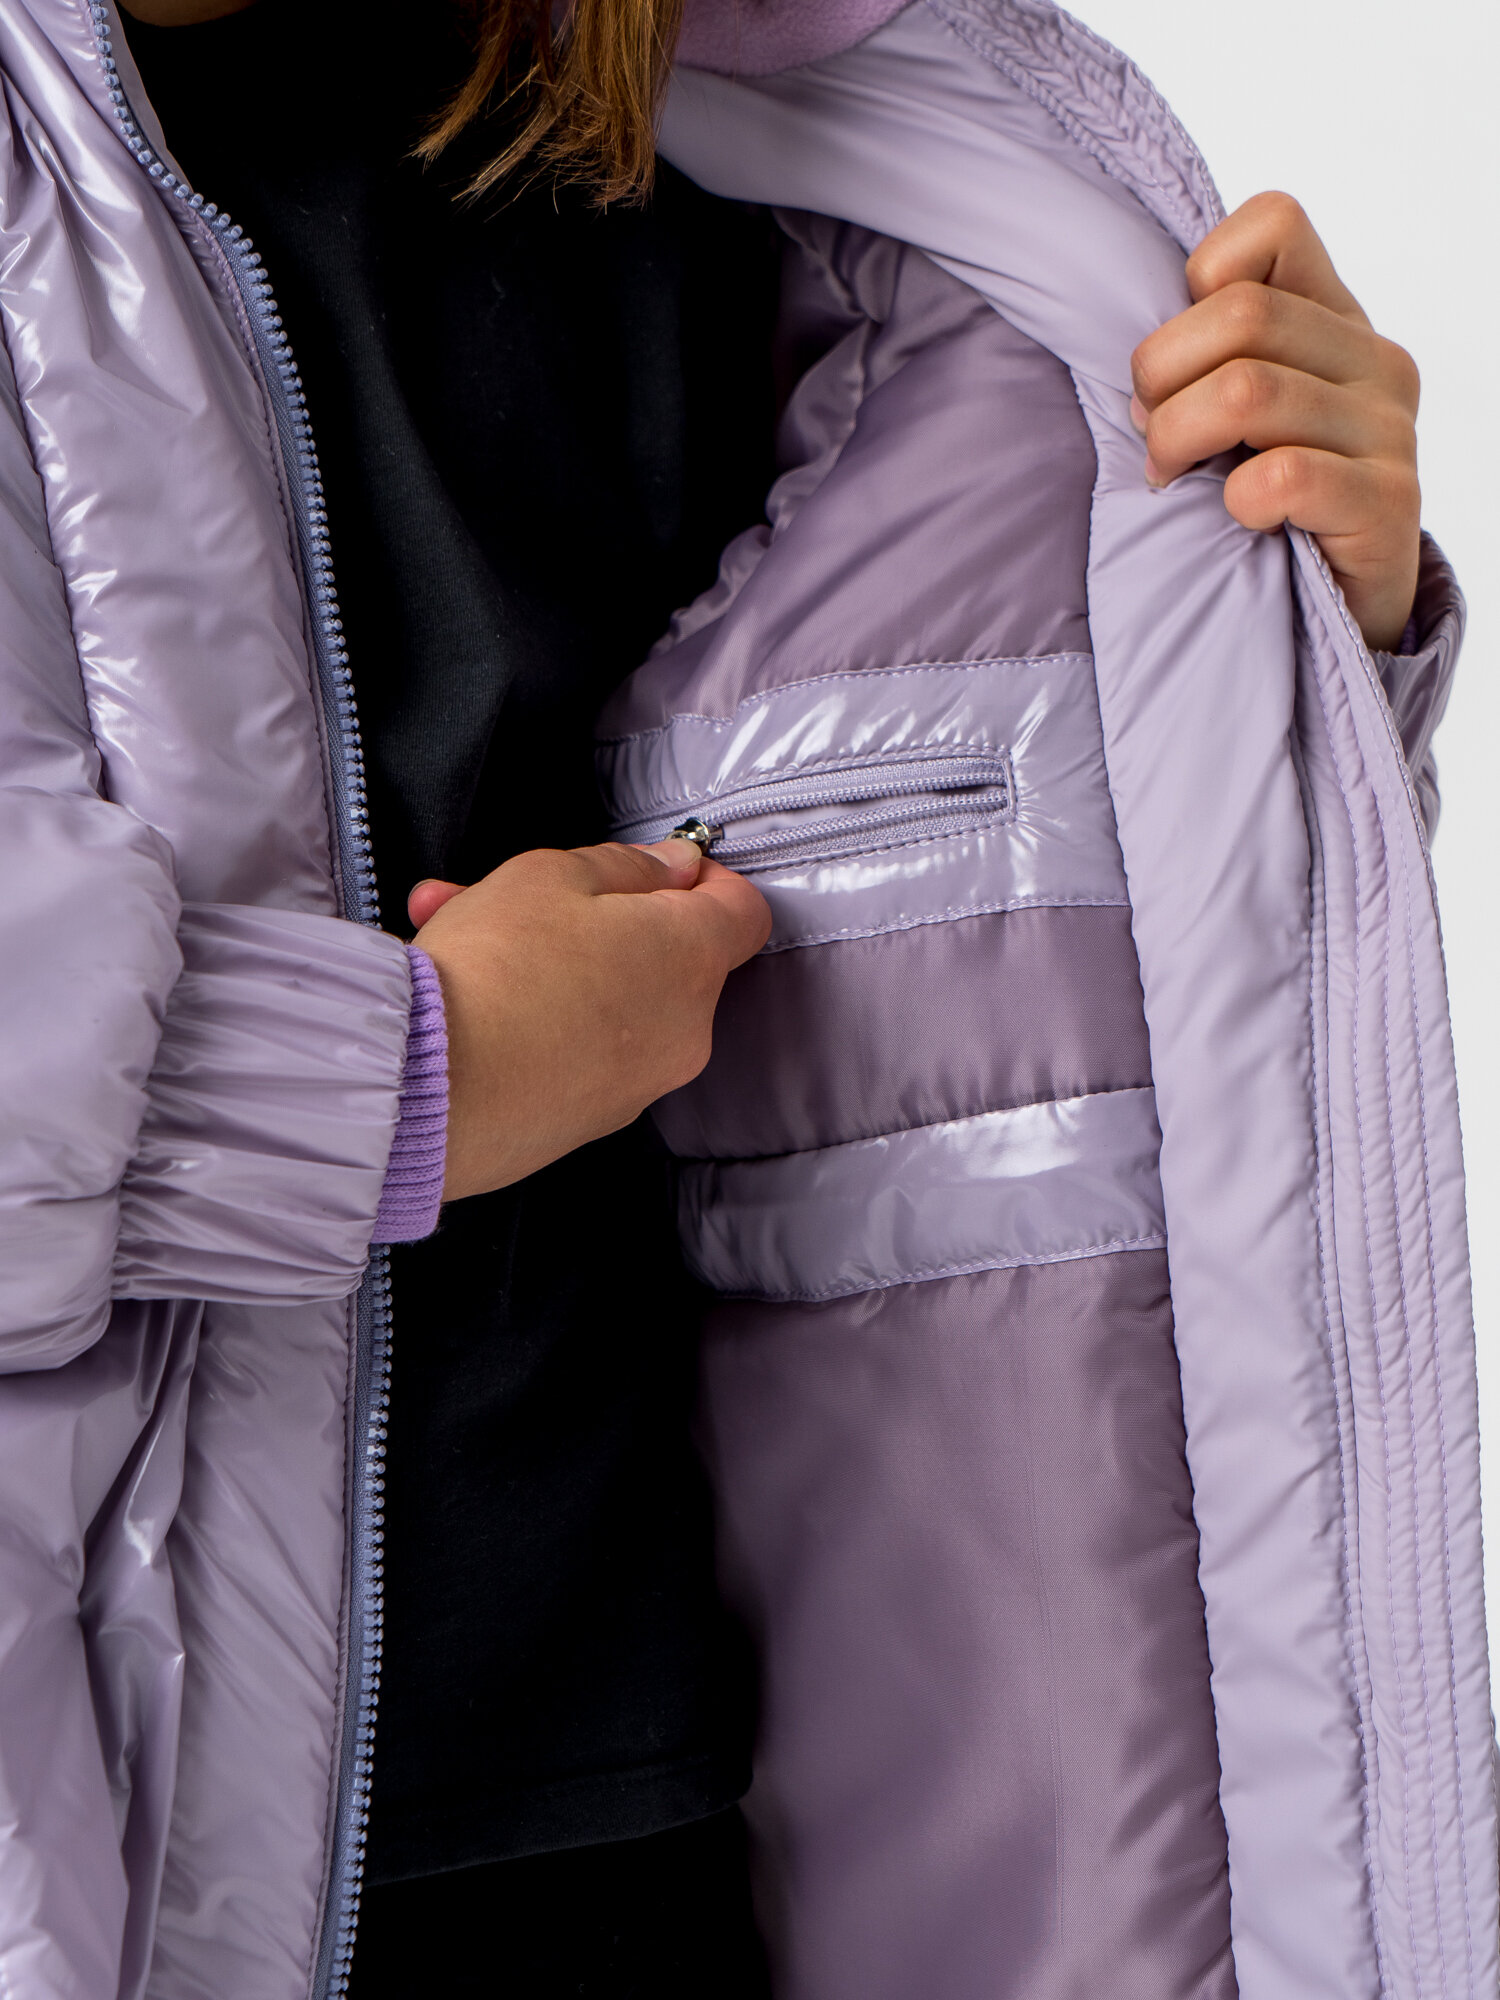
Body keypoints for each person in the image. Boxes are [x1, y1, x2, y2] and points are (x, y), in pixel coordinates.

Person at [0, 1, 1484, 1997]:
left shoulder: (770, 151)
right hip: (116, 1844)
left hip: (701, 1824)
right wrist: (400, 1079)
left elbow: (1039, 969)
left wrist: (1294, 627)